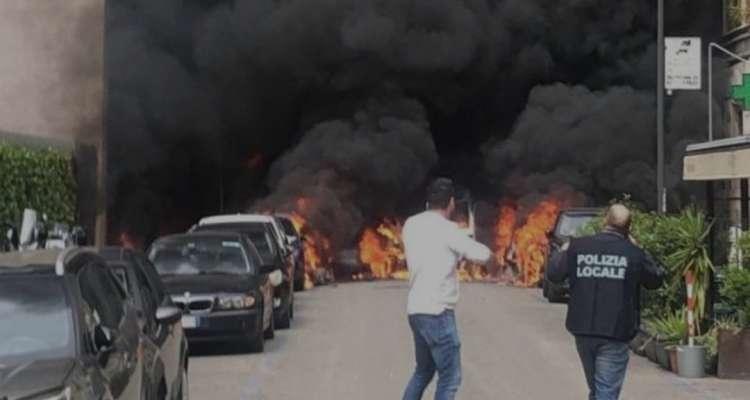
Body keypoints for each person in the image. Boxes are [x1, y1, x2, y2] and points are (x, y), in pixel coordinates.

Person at [547, 204, 665, 400]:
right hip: (615, 332)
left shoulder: (578, 246)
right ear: (629, 228)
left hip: (582, 329)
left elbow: (554, 274)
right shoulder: (633, 253)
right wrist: (640, 249)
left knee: (599, 390)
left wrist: (564, 250)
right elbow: (655, 279)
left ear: (605, 221)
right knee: (605, 392)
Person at [401, 178, 492, 400]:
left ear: (427, 201)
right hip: (437, 312)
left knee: (423, 372)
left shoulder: (411, 224)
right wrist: (493, 256)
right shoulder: (447, 230)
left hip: (416, 311)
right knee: (450, 377)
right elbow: (479, 254)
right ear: (451, 203)